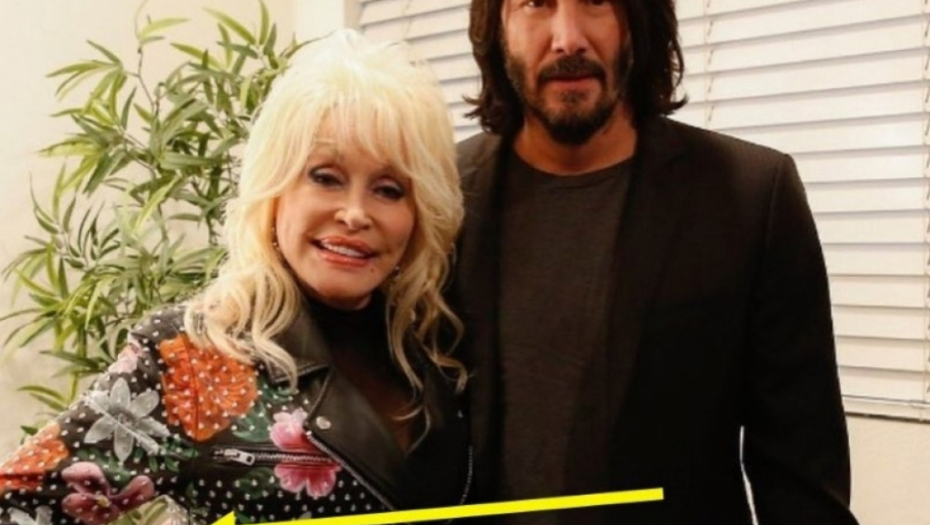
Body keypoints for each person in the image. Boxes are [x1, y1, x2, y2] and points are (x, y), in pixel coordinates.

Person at [0, 30, 471, 525]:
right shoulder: (191, 355)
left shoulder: (432, 347)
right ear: (274, 189)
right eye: (326, 177)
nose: (355, 213)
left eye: (389, 189)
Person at [452, 1, 859, 524]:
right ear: (497, 27)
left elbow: (803, 487)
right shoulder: (437, 199)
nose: (568, 38)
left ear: (639, 21)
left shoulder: (752, 197)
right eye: (536, 3)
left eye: (596, 2)